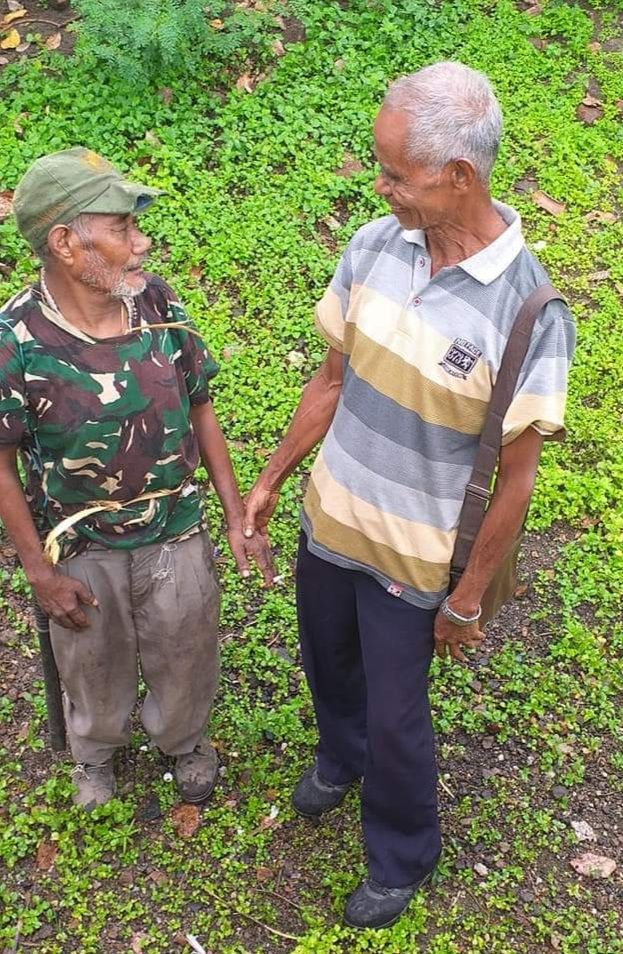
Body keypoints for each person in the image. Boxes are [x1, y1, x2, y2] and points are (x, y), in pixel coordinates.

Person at [244, 62, 575, 929]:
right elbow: (328, 381)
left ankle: (400, 850)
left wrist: (466, 599)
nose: (379, 186)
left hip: (413, 559)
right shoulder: (373, 245)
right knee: (328, 662)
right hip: (333, 519)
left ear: (459, 176)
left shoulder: (528, 312)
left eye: (396, 173)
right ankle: (337, 754)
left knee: (399, 717)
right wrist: (274, 478)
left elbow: (516, 479)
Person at [0, 147, 273, 810]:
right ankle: (94, 753)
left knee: (186, 641)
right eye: (121, 228)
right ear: (64, 242)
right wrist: (36, 566)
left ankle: (184, 739)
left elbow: (200, 404)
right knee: (91, 659)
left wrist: (236, 515)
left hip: (173, 529)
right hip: (80, 545)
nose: (141, 242)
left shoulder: (156, 305)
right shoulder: (15, 341)